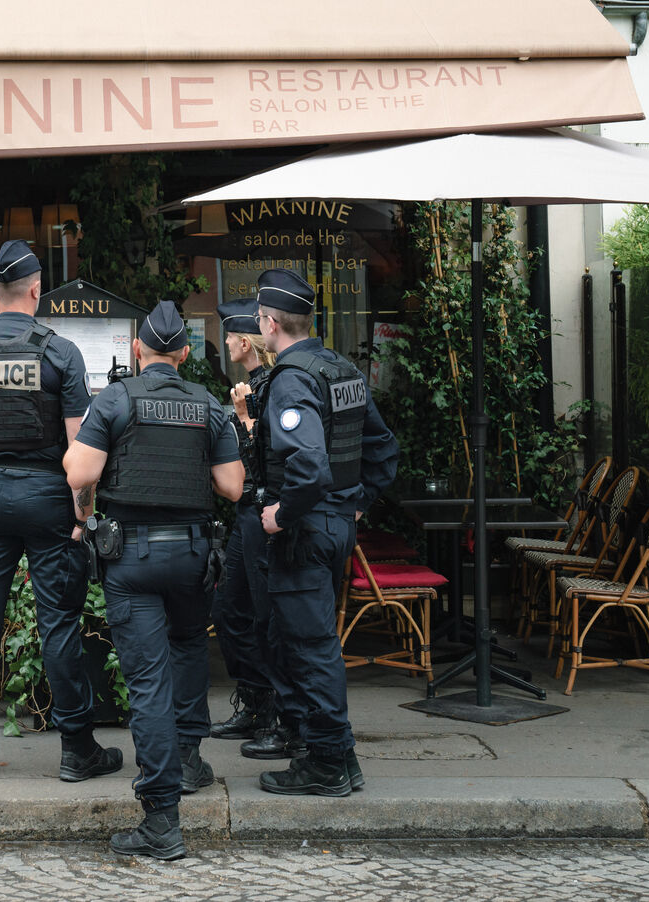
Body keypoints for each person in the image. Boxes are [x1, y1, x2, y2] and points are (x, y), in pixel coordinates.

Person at [63, 300, 244, 861]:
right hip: (192, 556)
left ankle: (162, 819)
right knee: (188, 649)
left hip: (133, 559)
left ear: (137, 349)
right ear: (185, 353)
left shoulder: (115, 399)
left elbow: (80, 473)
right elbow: (232, 487)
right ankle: (189, 760)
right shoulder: (208, 405)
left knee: (147, 683)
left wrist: (85, 518)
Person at [0, 239, 121, 783]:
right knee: (58, 623)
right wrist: (83, 519)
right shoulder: (60, 353)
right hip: (47, 497)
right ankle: (77, 749)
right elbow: (80, 449)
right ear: (37, 290)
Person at [250, 269, 398, 797]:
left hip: (305, 531)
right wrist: (355, 503)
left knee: (311, 648)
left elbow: (309, 465)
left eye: (259, 319)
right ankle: (341, 757)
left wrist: (282, 515)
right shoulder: (341, 369)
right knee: (310, 643)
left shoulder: (292, 378)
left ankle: (328, 763)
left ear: (269, 323)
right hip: (334, 526)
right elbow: (383, 448)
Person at [208, 298, 285, 743]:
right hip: (246, 513)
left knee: (264, 616)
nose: (225, 344)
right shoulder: (250, 385)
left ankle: (274, 714)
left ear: (244, 342)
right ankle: (255, 704)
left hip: (265, 514)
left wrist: (242, 417)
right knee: (229, 610)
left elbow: (266, 459)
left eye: (230, 337)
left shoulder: (272, 386)